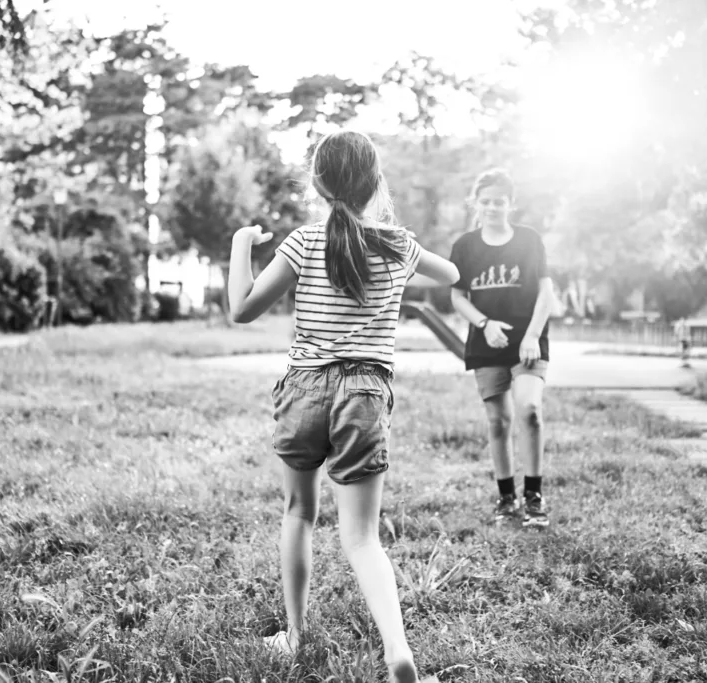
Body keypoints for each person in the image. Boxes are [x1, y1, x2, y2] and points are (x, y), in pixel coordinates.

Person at [227, 130, 458, 683]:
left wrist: (241, 244)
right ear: (374, 181)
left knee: (299, 514)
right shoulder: (397, 245)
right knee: (362, 538)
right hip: (363, 394)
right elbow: (449, 274)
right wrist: (405, 248)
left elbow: (242, 308)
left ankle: (296, 634)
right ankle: (397, 649)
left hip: (305, 388)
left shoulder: (303, 241)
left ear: (319, 183)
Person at [448, 169, 554, 528]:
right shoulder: (465, 246)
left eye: (500, 201)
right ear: (476, 203)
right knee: (498, 421)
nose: (493, 207)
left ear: (511, 204)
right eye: (486, 201)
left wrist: (532, 336)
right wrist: (484, 323)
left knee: (530, 410)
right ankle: (507, 498)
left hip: (528, 344)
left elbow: (546, 292)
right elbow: (457, 296)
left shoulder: (528, 240)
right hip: (486, 343)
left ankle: (534, 497)